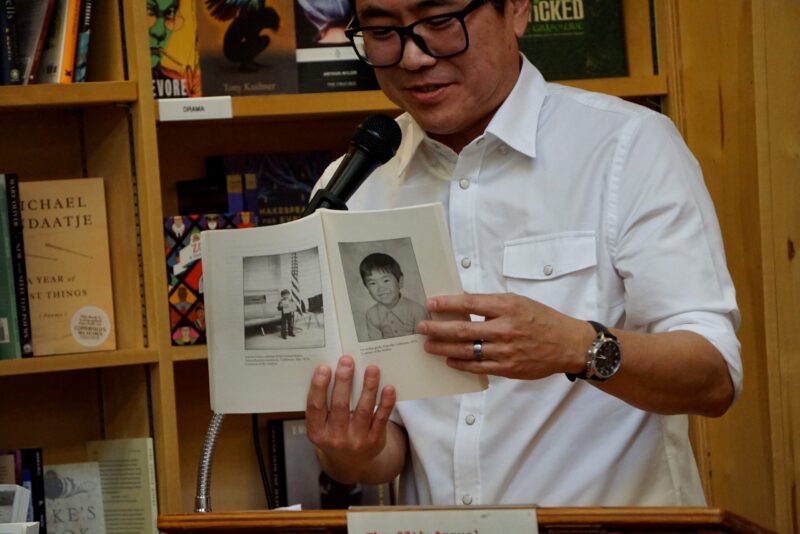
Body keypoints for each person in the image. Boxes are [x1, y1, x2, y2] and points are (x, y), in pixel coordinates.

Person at [305, 0, 741, 508]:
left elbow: (714, 376)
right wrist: (349, 451)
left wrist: (579, 348)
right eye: (383, 31)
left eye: (441, 23)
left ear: (516, 10)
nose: (413, 57)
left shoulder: (627, 146)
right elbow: (387, 449)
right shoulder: (352, 185)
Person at [359, 252, 430, 341]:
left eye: (386, 280)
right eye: (373, 283)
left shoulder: (417, 311)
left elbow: (424, 343)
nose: (381, 288)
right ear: (367, 289)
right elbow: (376, 345)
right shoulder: (371, 314)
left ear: (400, 281)